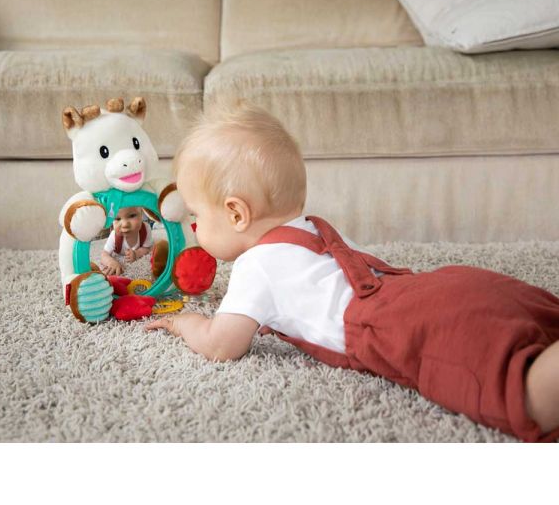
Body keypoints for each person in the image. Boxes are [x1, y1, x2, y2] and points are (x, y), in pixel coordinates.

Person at [145, 105, 559, 442]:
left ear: (236, 213)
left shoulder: (255, 266)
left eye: (198, 216)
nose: (194, 227)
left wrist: (187, 324)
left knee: (522, 395)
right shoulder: (315, 228)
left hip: (401, 323)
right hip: (438, 285)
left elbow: (222, 344)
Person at [100, 206, 153, 276]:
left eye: (132, 216)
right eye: (117, 219)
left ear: (141, 214)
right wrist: (111, 262)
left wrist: (136, 253)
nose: (125, 224)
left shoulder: (145, 229)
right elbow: (104, 254)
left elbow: (147, 248)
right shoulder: (114, 236)